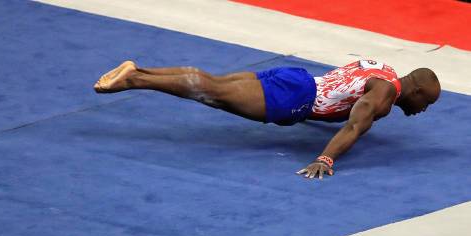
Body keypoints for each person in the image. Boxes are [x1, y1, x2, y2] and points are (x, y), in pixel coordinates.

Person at [94, 60, 441, 179]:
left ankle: (138, 70)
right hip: (295, 98)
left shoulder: (385, 70)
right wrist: (325, 158)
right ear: (418, 91)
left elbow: (342, 90)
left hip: (297, 78)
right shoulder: (382, 98)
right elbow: (354, 123)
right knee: (212, 92)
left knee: (214, 87)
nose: (424, 110)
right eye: (428, 103)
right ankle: (135, 79)